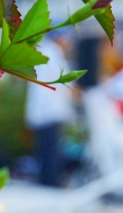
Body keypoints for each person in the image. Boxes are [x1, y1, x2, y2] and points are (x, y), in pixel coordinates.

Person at [24, 32, 73, 187]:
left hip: (43, 112)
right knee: (50, 153)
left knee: (45, 152)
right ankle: (50, 185)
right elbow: (66, 83)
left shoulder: (46, 52)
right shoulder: (54, 54)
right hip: (50, 112)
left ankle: (46, 183)